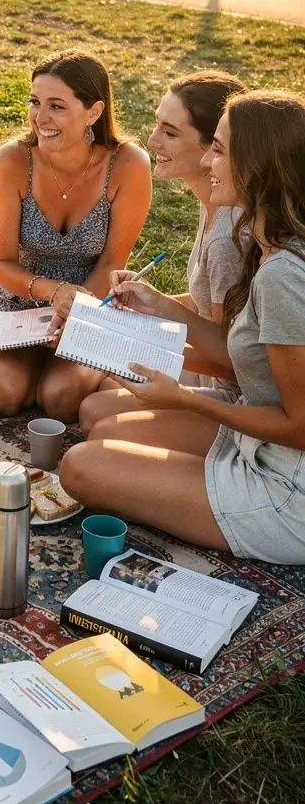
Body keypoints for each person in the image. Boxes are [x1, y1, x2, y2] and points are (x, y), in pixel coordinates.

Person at [60, 91, 305, 565]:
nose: (209, 161)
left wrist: (183, 398)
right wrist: (159, 306)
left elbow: (300, 426)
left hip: (287, 487)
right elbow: (241, 350)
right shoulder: (269, 241)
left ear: (256, 168)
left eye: (219, 150)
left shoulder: (283, 274)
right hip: (257, 440)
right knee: (99, 427)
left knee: (81, 466)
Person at [0, 52, 152, 422]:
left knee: (61, 399)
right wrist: (52, 293)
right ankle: (27, 371)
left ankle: (53, 374)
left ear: (94, 112)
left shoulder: (128, 164)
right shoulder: (12, 161)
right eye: (35, 102)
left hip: (92, 303)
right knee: (2, 394)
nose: (41, 118)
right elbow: (1, 264)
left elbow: (113, 262)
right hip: (16, 297)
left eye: (57, 106)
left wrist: (77, 311)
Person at [79, 70, 247, 434]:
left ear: (213, 146)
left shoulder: (227, 239)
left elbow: (229, 359)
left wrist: (128, 343)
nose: (153, 140)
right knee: (93, 405)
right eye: (157, 125)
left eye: (170, 133)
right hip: (215, 380)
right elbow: (212, 306)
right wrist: (151, 303)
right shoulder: (213, 204)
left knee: (99, 417)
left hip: (236, 400)